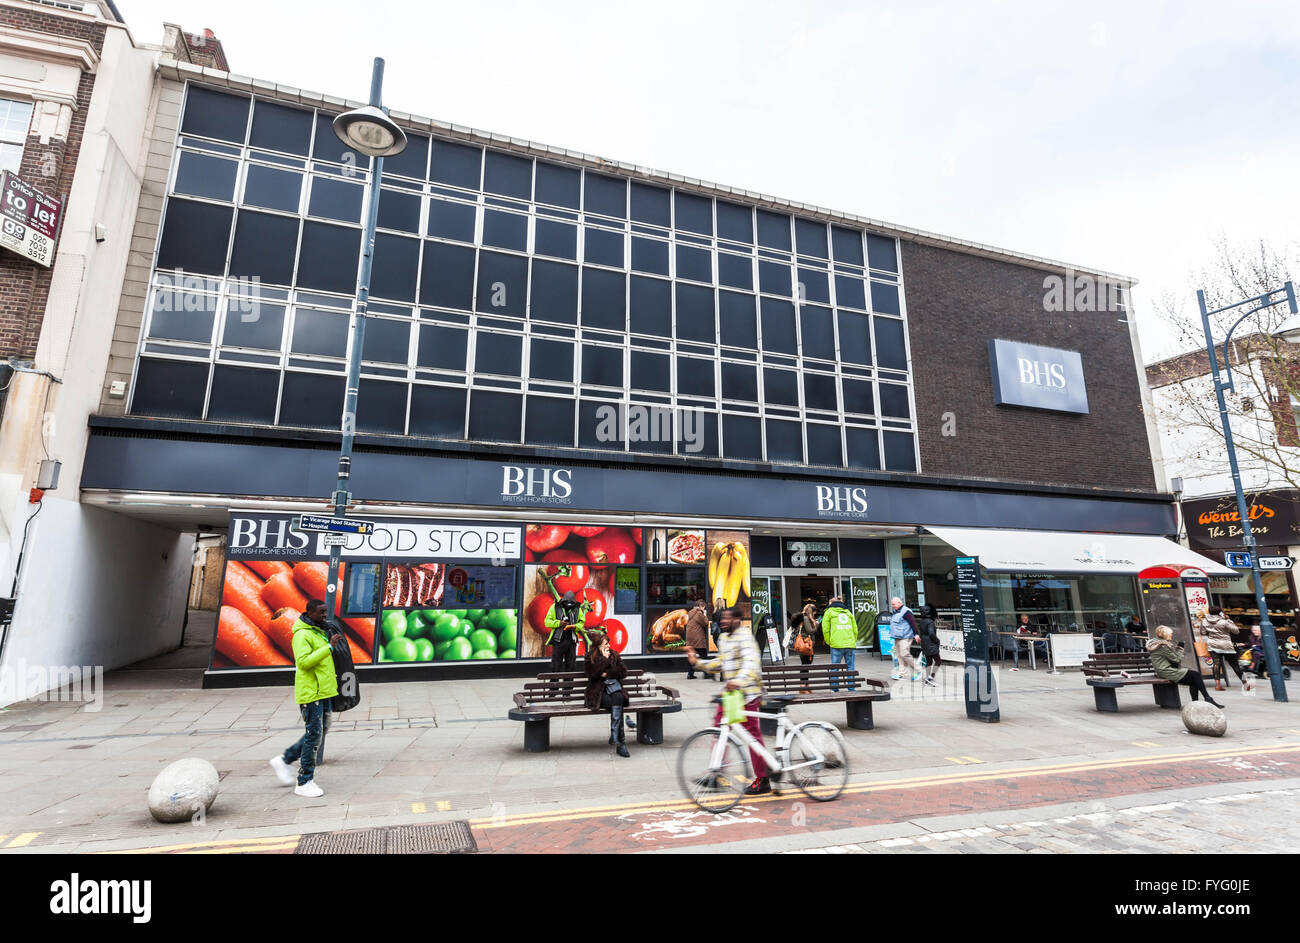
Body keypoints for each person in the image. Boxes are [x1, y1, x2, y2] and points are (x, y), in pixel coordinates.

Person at [686, 607, 771, 795]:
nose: (722, 622)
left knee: (751, 736)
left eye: (727, 618)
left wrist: (738, 681)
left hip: (748, 693)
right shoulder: (724, 639)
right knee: (719, 730)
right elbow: (720, 663)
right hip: (732, 695)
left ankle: (762, 778)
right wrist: (698, 663)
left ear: (737, 619)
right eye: (721, 619)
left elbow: (751, 664)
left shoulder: (746, 638)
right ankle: (715, 772)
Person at [270, 599, 338, 798]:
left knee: (319, 731)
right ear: (309, 613)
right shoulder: (301, 635)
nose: (325, 615)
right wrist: (329, 647)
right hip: (311, 693)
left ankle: (285, 759)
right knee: (314, 734)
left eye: (326, 612)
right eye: (321, 612)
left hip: (323, 691)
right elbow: (304, 662)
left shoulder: (318, 630)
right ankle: (304, 781)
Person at [1147, 625, 1223, 708]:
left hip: (1163, 669)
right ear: (1165, 635)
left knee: (1194, 680)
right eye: (1170, 634)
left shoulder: (1158, 643)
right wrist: (1180, 648)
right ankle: (1206, 699)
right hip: (1166, 671)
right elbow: (1177, 659)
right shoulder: (1162, 646)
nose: (1172, 635)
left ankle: (1198, 702)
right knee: (1196, 675)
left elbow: (1171, 657)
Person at [585, 630, 631, 757]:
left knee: (619, 697)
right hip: (597, 693)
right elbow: (592, 675)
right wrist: (604, 660)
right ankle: (620, 743)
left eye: (608, 643)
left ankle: (616, 738)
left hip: (614, 690)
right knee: (618, 704)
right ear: (598, 646)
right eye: (605, 644)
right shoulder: (590, 657)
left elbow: (623, 672)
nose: (608, 646)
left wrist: (607, 673)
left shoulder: (614, 655)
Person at [1196, 606, 1243, 690]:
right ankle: (1245, 683)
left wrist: (1212, 634)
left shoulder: (1204, 621)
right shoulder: (1224, 621)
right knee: (1234, 664)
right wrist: (1229, 620)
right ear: (1220, 612)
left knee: (1216, 664)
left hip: (1213, 644)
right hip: (1226, 645)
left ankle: (1217, 685)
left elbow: (1203, 632)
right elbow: (1236, 631)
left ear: (1209, 612)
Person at [544, 590, 588, 672]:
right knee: (556, 665)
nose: (568, 605)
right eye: (566, 603)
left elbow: (582, 622)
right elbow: (547, 622)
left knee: (571, 666)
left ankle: (569, 684)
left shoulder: (577, 609)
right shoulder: (555, 607)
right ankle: (554, 683)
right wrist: (559, 623)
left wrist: (575, 627)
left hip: (571, 642)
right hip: (558, 641)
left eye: (571, 603)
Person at [820, 597, 857, 692]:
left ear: (831, 603)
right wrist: (853, 640)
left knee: (835, 667)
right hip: (849, 644)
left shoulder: (829, 612)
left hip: (836, 644)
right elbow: (855, 629)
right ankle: (851, 688)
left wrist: (829, 641)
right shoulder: (848, 612)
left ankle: (835, 689)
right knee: (850, 667)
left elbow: (825, 629)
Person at [888, 596, 921, 682]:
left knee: (904, 654)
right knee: (899, 656)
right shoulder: (896, 611)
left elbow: (912, 623)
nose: (892, 606)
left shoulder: (906, 611)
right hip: (897, 637)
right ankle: (901, 673)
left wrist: (916, 634)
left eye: (894, 604)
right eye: (892, 604)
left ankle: (918, 669)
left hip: (905, 637)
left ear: (899, 603)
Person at [684, 599, 710, 680]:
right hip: (698, 638)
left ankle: (690, 674)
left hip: (690, 637)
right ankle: (706, 674)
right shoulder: (699, 613)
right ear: (701, 606)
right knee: (704, 656)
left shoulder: (690, 612)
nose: (704, 609)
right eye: (704, 607)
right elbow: (705, 623)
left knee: (692, 655)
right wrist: (705, 614)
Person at [916, 603, 941, 686]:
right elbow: (931, 634)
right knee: (938, 661)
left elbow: (921, 633)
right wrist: (937, 641)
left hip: (924, 643)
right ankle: (931, 676)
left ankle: (927, 678)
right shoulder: (930, 622)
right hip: (931, 643)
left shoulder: (921, 622)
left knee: (929, 661)